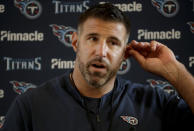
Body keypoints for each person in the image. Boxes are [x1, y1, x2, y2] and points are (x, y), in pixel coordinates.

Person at [1, 3, 194, 131]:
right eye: (93, 38)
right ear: (75, 42)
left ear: (124, 53)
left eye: (113, 42)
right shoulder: (31, 106)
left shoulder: (155, 104)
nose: (101, 52)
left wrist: (175, 72)